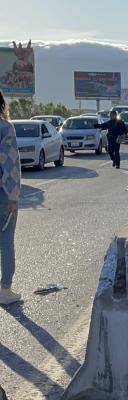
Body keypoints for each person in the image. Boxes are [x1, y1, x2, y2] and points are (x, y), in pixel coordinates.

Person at [0, 90, 21, 305]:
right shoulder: (5, 128)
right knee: (6, 241)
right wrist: (14, 197)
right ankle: (5, 289)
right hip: (3, 193)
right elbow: (11, 165)